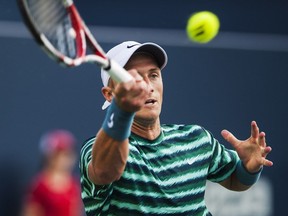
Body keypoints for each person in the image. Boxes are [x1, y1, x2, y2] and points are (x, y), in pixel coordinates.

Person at [79, 41, 273, 215]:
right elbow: (105, 172)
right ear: (109, 94)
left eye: (153, 75)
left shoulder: (196, 138)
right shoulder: (97, 149)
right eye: (133, 79)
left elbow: (234, 179)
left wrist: (249, 168)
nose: (147, 86)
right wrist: (121, 110)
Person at [22, 129, 83, 216]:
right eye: (58, 155)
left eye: (67, 154)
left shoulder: (75, 185)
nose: (63, 159)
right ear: (48, 156)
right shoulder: (38, 185)